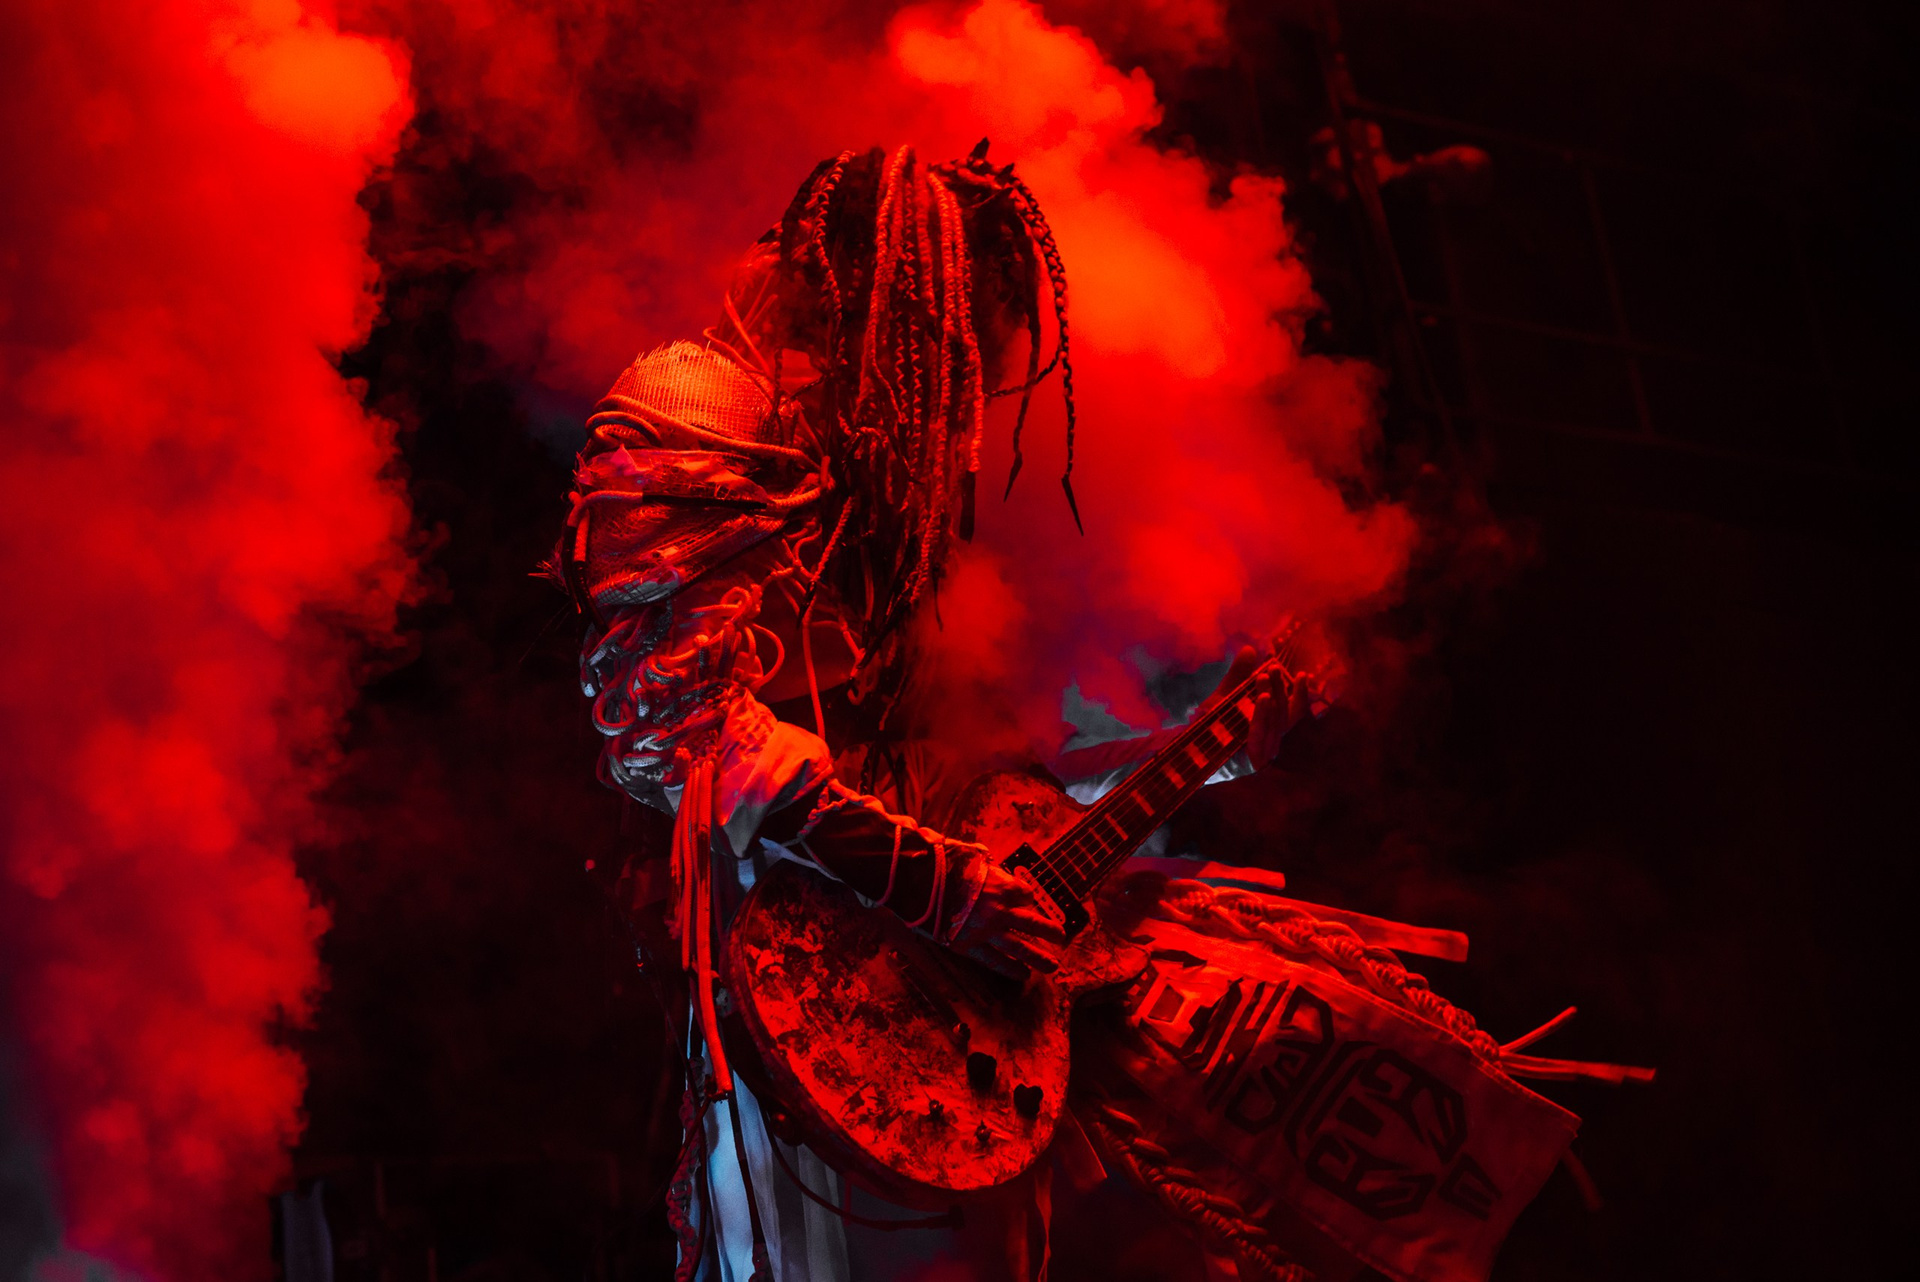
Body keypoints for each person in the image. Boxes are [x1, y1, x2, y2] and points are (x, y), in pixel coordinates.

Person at [554, 143, 1628, 1282]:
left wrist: (1191, 750)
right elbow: (672, 727)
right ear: (910, 307)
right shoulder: (696, 403)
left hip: (952, 1019)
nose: (973, 398)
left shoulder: (897, 486)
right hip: (798, 993)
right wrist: (936, 888)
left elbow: (977, 778)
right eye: (961, 350)